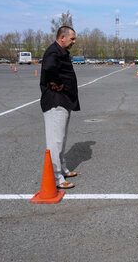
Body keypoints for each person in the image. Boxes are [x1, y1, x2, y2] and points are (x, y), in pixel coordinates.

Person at [40, 26, 80, 189]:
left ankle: (61, 168)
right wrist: (56, 82)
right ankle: (56, 177)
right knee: (55, 140)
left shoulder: (59, 51)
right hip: (55, 101)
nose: (74, 42)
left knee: (61, 138)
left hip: (64, 100)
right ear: (62, 37)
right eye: (72, 39)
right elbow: (49, 68)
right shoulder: (53, 52)